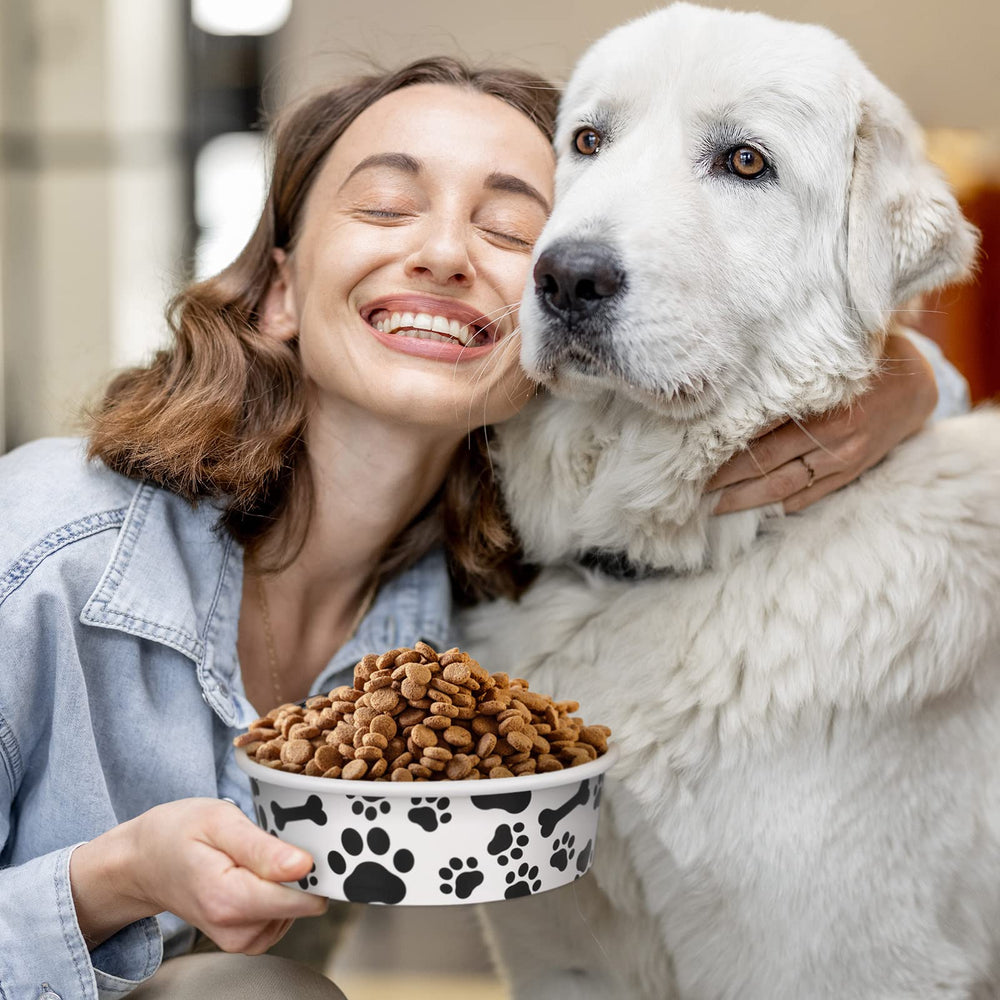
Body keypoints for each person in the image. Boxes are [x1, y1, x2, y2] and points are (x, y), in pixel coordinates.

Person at [0, 56, 967, 999]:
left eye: (512, 230)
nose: (446, 253)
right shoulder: (45, 546)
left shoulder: (491, 599)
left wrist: (908, 376)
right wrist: (112, 880)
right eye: (384, 206)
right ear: (281, 289)